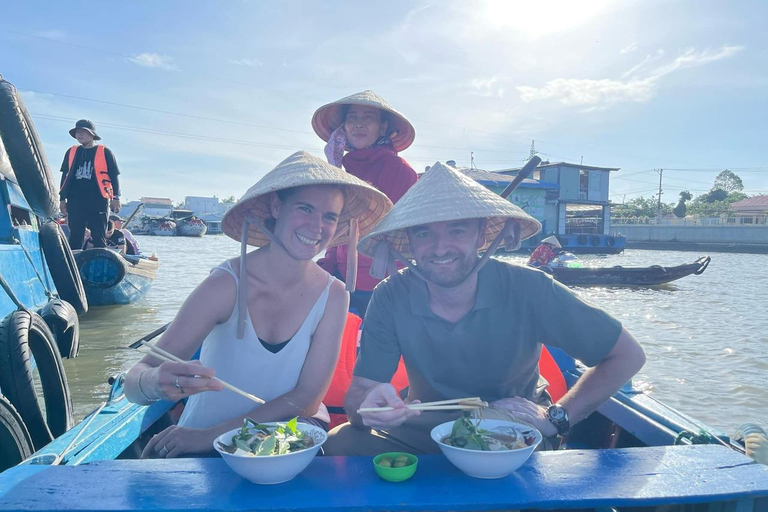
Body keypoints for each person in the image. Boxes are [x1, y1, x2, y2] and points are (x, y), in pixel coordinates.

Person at [324, 162, 646, 456]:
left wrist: (557, 417)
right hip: (426, 425)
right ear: (408, 241)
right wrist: (368, 409)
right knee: (339, 442)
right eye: (424, 233)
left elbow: (626, 355)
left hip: (513, 428)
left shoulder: (529, 288)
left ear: (481, 233)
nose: (440, 247)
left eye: (458, 230)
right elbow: (359, 396)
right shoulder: (391, 295)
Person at [123, 151, 391, 458]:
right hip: (198, 443)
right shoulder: (226, 284)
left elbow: (307, 399)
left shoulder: (334, 295)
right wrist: (154, 382)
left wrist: (211, 437)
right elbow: (136, 379)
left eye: (329, 216)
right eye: (306, 209)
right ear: (277, 206)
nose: (317, 226)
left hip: (285, 445)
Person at [312, 91, 418, 315]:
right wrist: (328, 266)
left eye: (368, 117)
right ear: (344, 128)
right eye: (352, 118)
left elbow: (398, 234)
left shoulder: (399, 170)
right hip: (343, 279)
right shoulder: (340, 170)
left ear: (383, 127)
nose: (358, 124)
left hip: (383, 281)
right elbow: (336, 227)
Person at [59, 119, 121, 251]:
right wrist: (62, 199)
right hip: (75, 200)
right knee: (76, 235)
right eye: (77, 132)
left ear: (92, 134)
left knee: (99, 234)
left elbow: (114, 175)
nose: (79, 135)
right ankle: (74, 263)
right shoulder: (71, 152)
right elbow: (64, 177)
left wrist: (116, 197)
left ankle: (100, 262)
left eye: (83, 132)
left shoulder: (105, 152)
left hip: (98, 199)